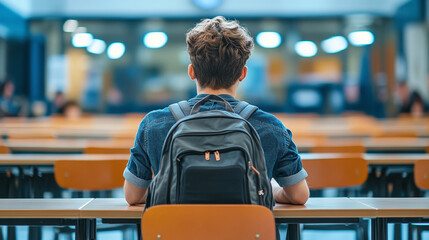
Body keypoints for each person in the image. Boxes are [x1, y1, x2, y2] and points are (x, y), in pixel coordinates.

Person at [123, 16, 309, 205]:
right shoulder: (271, 126)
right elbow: (299, 195)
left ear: (191, 72)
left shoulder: (153, 124)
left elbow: (133, 196)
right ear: (242, 74)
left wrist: (169, 190)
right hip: (248, 233)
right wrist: (269, 191)